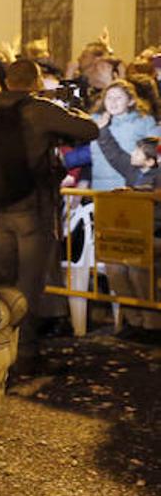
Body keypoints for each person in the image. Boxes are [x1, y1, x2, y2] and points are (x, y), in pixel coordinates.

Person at [0, 60, 98, 373]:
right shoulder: (39, 109)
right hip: (33, 206)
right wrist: (70, 109)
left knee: (6, 276)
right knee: (29, 281)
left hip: (2, 205)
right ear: (36, 80)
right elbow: (90, 129)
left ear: (7, 82)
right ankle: (26, 351)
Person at [88, 79, 161, 339]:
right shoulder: (132, 170)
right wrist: (104, 130)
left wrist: (139, 193)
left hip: (153, 234)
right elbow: (114, 153)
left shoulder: (156, 174)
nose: (132, 152)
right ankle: (133, 318)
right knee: (115, 264)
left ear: (151, 158)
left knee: (138, 263)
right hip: (132, 234)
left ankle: (151, 322)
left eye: (138, 150)